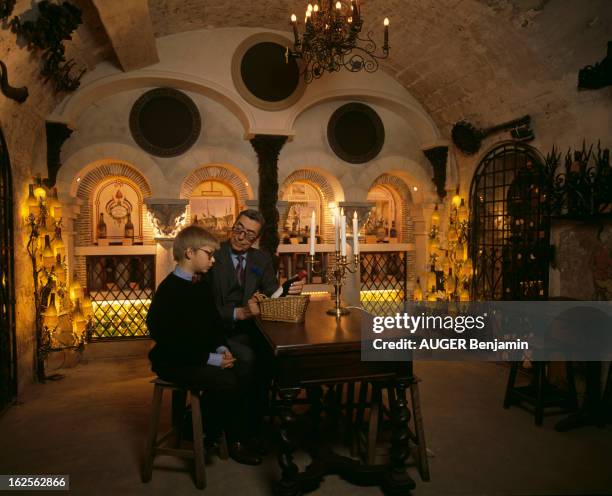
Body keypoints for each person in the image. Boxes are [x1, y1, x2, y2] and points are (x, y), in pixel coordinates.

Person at [146, 224, 262, 465]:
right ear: (190, 253)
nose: (213, 260)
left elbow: (212, 326)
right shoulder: (168, 291)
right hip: (173, 361)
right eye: (209, 254)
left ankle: (217, 432)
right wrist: (212, 359)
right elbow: (171, 343)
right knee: (229, 380)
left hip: (198, 354)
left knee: (245, 368)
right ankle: (203, 430)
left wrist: (221, 348)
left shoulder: (200, 285)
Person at [206, 209, 304, 441]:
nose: (241, 237)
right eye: (238, 229)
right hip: (217, 332)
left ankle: (254, 423)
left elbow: (272, 295)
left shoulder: (261, 259)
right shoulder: (211, 254)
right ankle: (237, 435)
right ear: (233, 226)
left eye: (249, 235)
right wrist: (237, 313)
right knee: (249, 360)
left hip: (253, 330)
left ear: (256, 239)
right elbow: (201, 310)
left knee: (277, 359)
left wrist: (288, 291)